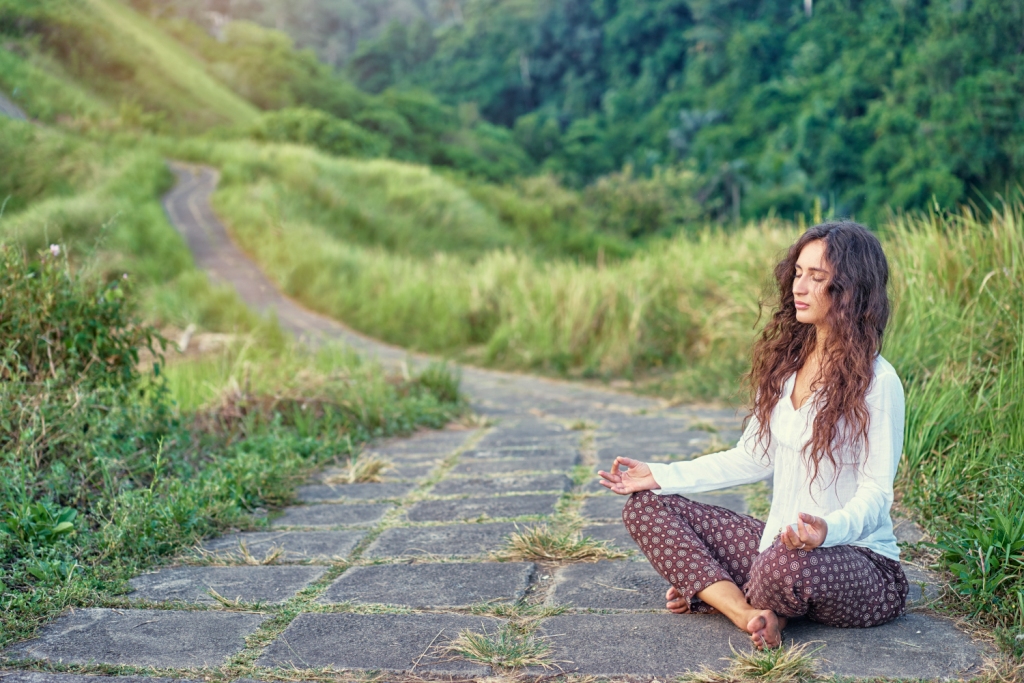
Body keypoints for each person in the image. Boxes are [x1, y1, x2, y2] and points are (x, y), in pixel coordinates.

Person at [598, 221, 909, 649]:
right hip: (779, 546)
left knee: (781, 566)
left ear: (851, 289)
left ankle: (717, 592)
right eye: (797, 273)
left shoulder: (878, 382)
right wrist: (660, 474)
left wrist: (826, 531)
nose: (800, 286)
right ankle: (748, 613)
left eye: (817, 277)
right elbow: (752, 457)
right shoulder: (788, 366)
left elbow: (876, 494)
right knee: (646, 507)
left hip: (860, 563)